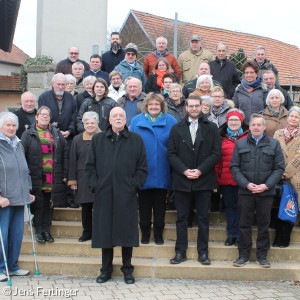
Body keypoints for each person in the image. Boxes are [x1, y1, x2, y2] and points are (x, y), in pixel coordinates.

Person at [85, 107, 148, 284]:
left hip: (126, 194)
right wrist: (96, 186)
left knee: (127, 233)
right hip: (104, 195)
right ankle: (105, 270)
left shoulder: (136, 139)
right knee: (105, 233)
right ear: (109, 119)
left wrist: (133, 185)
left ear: (126, 119)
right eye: (115, 116)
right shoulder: (98, 139)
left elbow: (142, 168)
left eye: (121, 115)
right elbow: (89, 167)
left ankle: (127, 269)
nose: (118, 118)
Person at [167, 94, 221, 265]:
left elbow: (216, 153)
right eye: (191, 106)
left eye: (197, 105)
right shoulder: (176, 128)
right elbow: (171, 153)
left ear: (202, 107)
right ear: (186, 107)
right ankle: (180, 252)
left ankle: (203, 253)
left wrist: (200, 170)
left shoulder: (212, 127)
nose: (194, 108)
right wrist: (184, 170)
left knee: (203, 218)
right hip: (182, 180)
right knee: (182, 218)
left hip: (203, 179)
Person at [231, 114, 285, 268]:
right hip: (245, 192)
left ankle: (262, 256)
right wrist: (246, 184)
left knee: (264, 224)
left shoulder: (274, 144)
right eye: (253, 125)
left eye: (259, 125)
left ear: (264, 127)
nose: (256, 127)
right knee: (244, 224)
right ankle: (243, 255)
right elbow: (234, 167)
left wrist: (266, 185)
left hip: (265, 192)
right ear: (249, 127)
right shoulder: (240, 144)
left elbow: (279, 168)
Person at [130, 93, 177, 245]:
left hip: (163, 169)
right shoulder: (136, 121)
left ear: (162, 106)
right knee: (143, 204)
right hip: (143, 169)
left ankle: (158, 234)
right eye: (151, 104)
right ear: (146, 106)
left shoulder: (170, 121)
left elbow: (175, 146)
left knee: (160, 205)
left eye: (157, 104)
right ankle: (144, 233)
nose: (154, 107)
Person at [21, 106, 68, 244]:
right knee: (38, 204)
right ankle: (39, 230)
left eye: (47, 115)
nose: (45, 117)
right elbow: (23, 156)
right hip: (36, 176)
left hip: (53, 176)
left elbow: (65, 153)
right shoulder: (28, 134)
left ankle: (47, 230)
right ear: (36, 117)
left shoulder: (56, 134)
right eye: (42, 115)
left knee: (49, 204)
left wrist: (65, 172)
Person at [0, 112, 34, 282]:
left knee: (16, 234)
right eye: (8, 125)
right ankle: (0, 267)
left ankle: (12, 266)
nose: (12, 128)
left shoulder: (18, 144)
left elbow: (24, 170)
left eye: (14, 125)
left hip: (19, 198)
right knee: (2, 235)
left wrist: (28, 190)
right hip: (3, 201)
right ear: (1, 127)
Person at [215, 109, 248, 246]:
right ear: (227, 122)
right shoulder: (220, 137)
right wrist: (215, 180)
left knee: (242, 208)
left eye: (236, 120)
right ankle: (231, 233)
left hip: (244, 180)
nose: (233, 122)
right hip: (227, 179)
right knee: (230, 207)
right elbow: (217, 161)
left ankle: (240, 235)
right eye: (231, 120)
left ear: (241, 122)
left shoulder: (248, 136)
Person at [68, 111, 100, 242]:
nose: (90, 125)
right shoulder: (77, 139)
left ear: (97, 124)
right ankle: (87, 232)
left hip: (100, 179)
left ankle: (99, 232)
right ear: (83, 124)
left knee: (100, 209)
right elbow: (72, 161)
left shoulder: (104, 137)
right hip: (83, 179)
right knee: (86, 209)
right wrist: (72, 180)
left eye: (93, 123)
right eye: (87, 123)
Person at [273, 106, 300, 248]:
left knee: (290, 206)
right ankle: (277, 236)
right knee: (278, 206)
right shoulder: (278, 133)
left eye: (296, 117)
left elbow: (298, 158)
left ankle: (285, 238)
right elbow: (273, 150)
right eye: (291, 116)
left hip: (294, 176)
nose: (293, 119)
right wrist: (278, 171)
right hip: (278, 174)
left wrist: (286, 172)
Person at [38, 73, 77, 140]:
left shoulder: (70, 98)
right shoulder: (44, 97)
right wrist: (55, 131)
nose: (61, 87)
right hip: (49, 136)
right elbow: (41, 117)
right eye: (58, 84)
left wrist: (69, 131)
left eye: (63, 84)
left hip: (67, 136)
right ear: (53, 84)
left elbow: (74, 115)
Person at [233, 60, 269, 127]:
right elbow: (235, 109)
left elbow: (268, 108)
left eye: (252, 72)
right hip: (243, 127)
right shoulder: (238, 90)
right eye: (247, 73)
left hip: (259, 127)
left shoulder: (264, 89)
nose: (249, 75)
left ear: (256, 73)